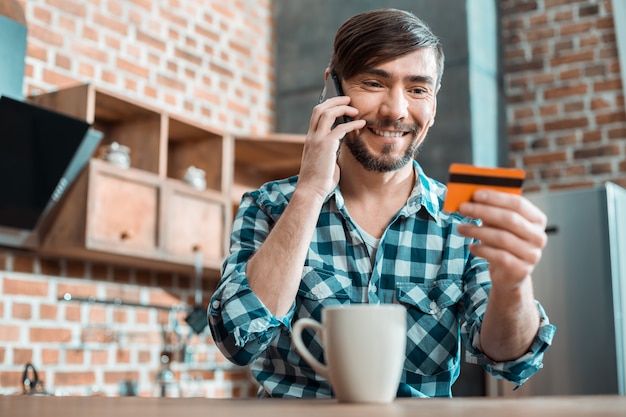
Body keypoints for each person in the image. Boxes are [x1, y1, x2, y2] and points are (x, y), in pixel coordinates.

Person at [208, 8, 555, 398]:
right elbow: (237, 340)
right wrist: (309, 193)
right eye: (374, 82)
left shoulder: (464, 216)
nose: (396, 110)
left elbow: (512, 360)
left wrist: (513, 284)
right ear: (333, 90)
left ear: (434, 106)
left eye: (418, 89)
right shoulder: (269, 206)